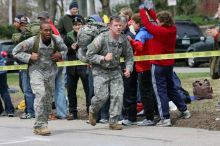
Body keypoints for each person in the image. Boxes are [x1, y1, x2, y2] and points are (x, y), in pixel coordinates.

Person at [13, 21, 67, 135]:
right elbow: (15, 51)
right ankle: (39, 125)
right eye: (45, 30)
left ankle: (43, 123)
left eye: (50, 30)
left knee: (48, 100)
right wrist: (29, 56)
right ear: (40, 31)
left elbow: (65, 49)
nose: (48, 32)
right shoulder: (32, 41)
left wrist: (60, 55)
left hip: (51, 72)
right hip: (36, 72)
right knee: (40, 94)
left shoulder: (57, 40)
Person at [139, 6, 191, 126]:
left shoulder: (160, 31)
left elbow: (146, 23)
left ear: (162, 22)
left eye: (158, 20)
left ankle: (165, 118)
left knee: (160, 91)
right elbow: (156, 19)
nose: (156, 21)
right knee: (171, 88)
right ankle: (184, 110)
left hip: (158, 65)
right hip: (169, 64)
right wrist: (149, 9)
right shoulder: (172, 29)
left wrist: (142, 9)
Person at [86, 16, 134, 130]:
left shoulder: (123, 39)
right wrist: (103, 57)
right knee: (102, 96)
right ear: (110, 26)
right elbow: (89, 55)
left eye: (120, 25)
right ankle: (93, 110)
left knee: (117, 95)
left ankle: (113, 121)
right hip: (100, 71)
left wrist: (128, 69)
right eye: (115, 25)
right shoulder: (101, 38)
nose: (118, 27)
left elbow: (129, 57)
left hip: (115, 71)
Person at [38, 11, 67, 120]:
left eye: (43, 18)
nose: (41, 20)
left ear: (48, 19)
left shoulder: (49, 30)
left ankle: (49, 113)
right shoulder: (54, 28)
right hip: (59, 61)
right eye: (40, 19)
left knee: (49, 88)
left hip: (53, 63)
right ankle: (62, 113)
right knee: (59, 88)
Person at [127, 13, 156, 126]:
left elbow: (139, 46)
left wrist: (131, 41)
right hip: (149, 65)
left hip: (143, 67)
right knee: (149, 91)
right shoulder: (149, 32)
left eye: (133, 23)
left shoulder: (141, 34)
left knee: (145, 93)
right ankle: (151, 116)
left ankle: (149, 118)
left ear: (138, 24)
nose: (132, 25)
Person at [65, 15, 90, 120]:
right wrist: (71, 48)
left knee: (88, 89)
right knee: (71, 90)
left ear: (83, 25)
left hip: (84, 65)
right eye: (75, 25)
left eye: (79, 24)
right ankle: (73, 112)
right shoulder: (68, 36)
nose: (77, 26)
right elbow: (64, 50)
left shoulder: (88, 35)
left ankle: (90, 111)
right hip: (71, 66)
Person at [12, 15, 35, 119]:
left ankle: (32, 111)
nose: (23, 26)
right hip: (23, 65)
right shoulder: (16, 35)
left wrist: (27, 29)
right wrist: (24, 32)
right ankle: (29, 110)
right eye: (21, 24)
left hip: (33, 65)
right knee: (25, 89)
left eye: (25, 24)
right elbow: (17, 41)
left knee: (31, 89)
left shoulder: (33, 33)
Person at [0, 48, 15, 117]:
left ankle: (1, 111)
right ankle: (10, 111)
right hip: (2, 70)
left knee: (4, 90)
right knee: (4, 91)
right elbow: (3, 54)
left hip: (2, 70)